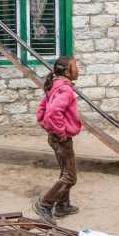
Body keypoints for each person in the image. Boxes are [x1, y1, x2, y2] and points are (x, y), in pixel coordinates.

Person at [32, 56, 82, 223]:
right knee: (70, 177)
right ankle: (45, 204)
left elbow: (41, 109)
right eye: (75, 67)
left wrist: (49, 127)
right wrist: (61, 133)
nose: (78, 70)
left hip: (56, 136)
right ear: (67, 72)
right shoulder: (65, 90)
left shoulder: (55, 85)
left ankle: (62, 205)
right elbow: (52, 112)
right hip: (61, 138)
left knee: (65, 171)